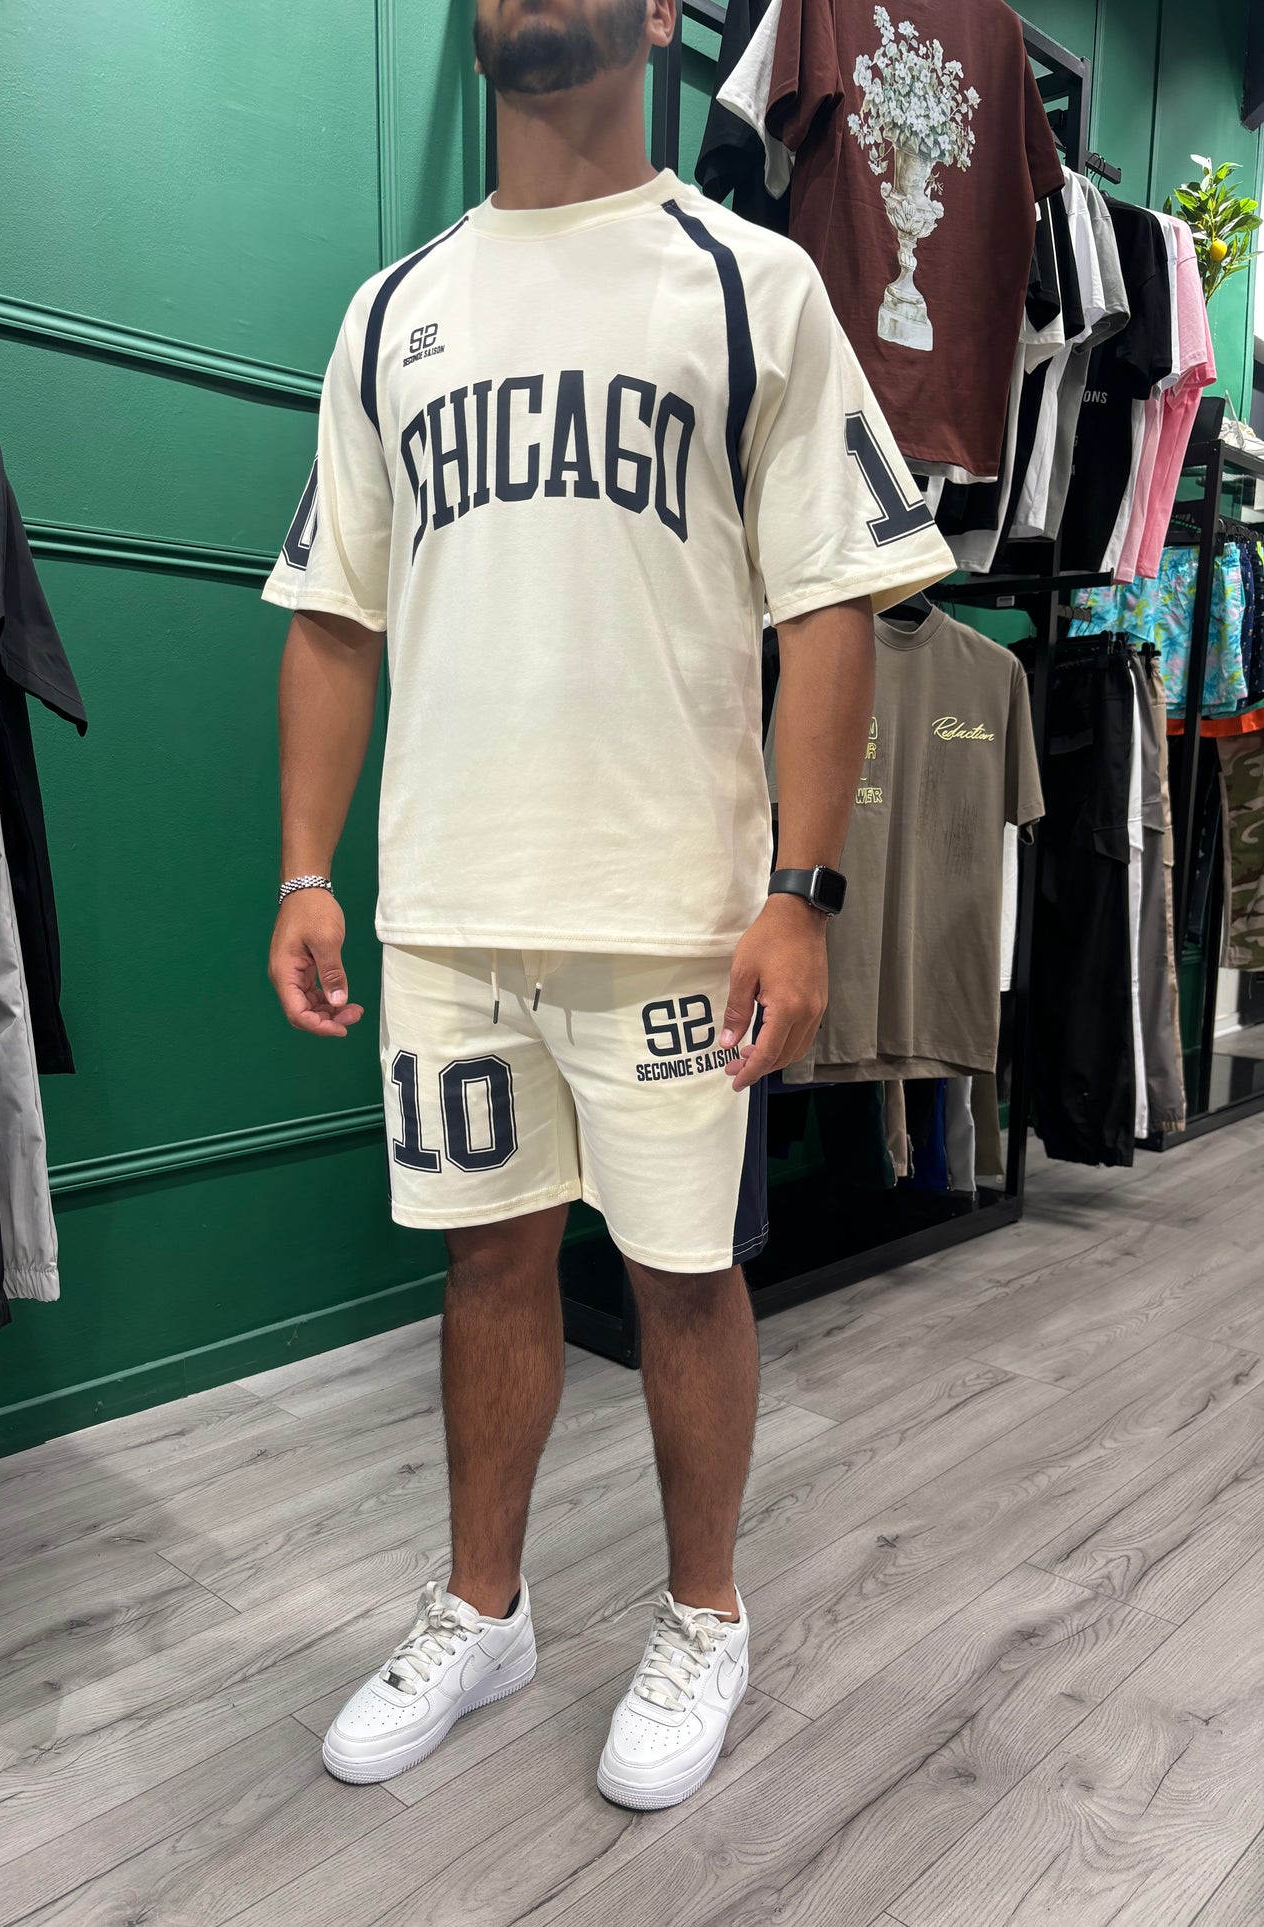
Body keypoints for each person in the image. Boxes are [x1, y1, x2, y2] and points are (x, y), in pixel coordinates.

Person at [263, 0, 953, 1811]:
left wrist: (799, 893)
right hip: (449, 915)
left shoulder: (749, 284)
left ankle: (704, 1615)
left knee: (681, 1275)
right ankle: (481, 1611)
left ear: (663, 13)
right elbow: (334, 612)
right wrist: (306, 870)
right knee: (486, 1262)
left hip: (670, 912)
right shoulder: (392, 311)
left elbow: (827, 606)